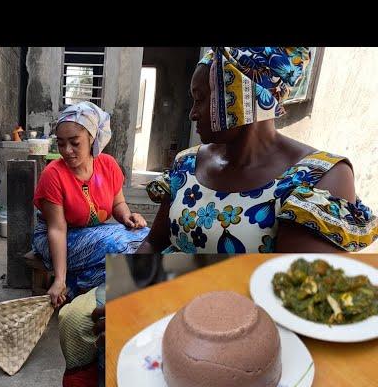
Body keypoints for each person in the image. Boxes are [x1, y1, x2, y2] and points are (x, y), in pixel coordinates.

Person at [138, 47, 378, 254]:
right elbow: (153, 243)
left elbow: (285, 301)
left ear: (242, 95)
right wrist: (123, 293)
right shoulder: (187, 163)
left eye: (200, 98)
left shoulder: (319, 178)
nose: (192, 114)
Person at [32, 101, 149, 306]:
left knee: (148, 237)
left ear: (92, 138)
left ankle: (78, 285)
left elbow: (118, 203)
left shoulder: (108, 165)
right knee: (118, 247)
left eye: (74, 143)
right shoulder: (53, 174)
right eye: (60, 143)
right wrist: (58, 278)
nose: (66, 150)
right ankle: (71, 284)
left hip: (93, 233)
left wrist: (127, 217)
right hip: (58, 238)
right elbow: (57, 229)